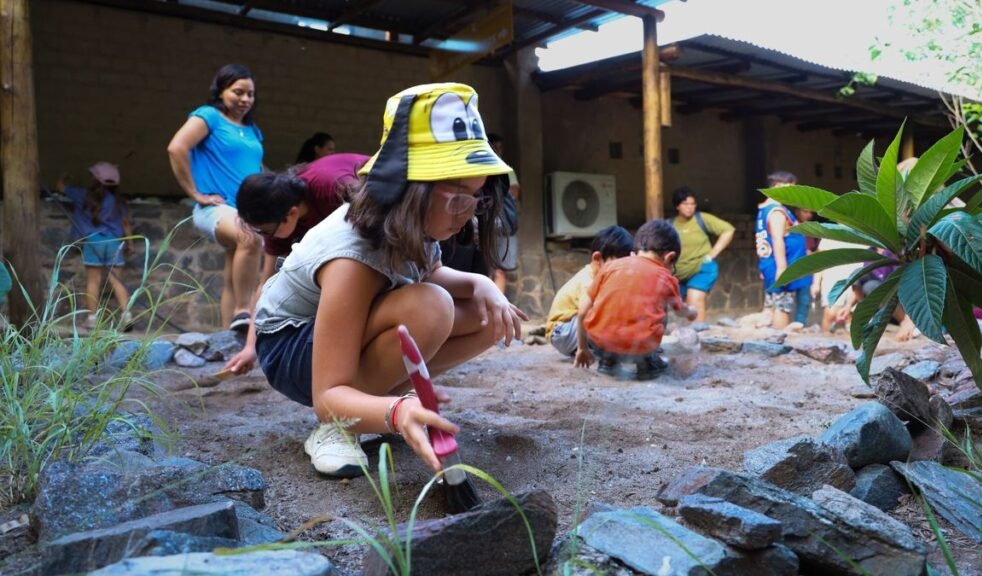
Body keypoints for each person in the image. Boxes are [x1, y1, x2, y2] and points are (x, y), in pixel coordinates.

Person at [253, 83, 526, 478]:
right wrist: (395, 414)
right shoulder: (354, 256)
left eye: (477, 197)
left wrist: (481, 286)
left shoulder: (413, 228)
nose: (469, 212)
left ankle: (374, 399)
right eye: (458, 198)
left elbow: (428, 272)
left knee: (486, 316)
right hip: (291, 346)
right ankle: (340, 427)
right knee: (430, 305)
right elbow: (326, 394)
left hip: (332, 339)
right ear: (409, 190)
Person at [224, 152, 370, 374]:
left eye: (265, 231)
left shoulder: (333, 189)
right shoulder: (279, 212)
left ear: (291, 214)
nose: (265, 237)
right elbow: (266, 284)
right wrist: (250, 347)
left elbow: (378, 223)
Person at [167, 63, 264, 333]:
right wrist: (194, 192)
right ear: (221, 91)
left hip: (246, 210)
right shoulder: (208, 116)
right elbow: (176, 148)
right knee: (250, 238)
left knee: (234, 274)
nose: (245, 99)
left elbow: (255, 167)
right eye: (238, 92)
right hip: (216, 208)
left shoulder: (253, 130)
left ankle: (227, 339)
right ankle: (244, 312)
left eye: (250, 94)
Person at [574, 220, 697, 381]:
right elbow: (680, 310)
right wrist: (691, 312)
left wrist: (582, 348)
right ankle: (647, 363)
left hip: (601, 345)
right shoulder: (665, 277)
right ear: (669, 257)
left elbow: (582, 311)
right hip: (640, 347)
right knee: (662, 304)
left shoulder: (609, 268)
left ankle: (608, 362)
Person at [56, 162, 133, 329]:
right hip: (114, 242)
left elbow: (61, 188)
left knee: (93, 281)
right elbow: (125, 223)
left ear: (95, 179)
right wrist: (130, 243)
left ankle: (92, 320)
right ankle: (126, 316)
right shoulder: (118, 201)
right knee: (117, 282)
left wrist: (64, 177)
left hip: (93, 242)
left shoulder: (82, 195)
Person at [545, 225, 633, 357]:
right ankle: (599, 350)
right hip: (561, 332)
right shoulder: (587, 280)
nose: (621, 271)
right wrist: (582, 349)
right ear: (597, 259)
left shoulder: (601, 277)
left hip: (572, 330)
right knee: (603, 314)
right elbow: (585, 313)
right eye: (617, 266)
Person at [668, 187, 735, 323]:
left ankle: (699, 335)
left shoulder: (701, 219)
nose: (690, 207)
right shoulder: (669, 224)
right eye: (685, 204)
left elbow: (728, 230)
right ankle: (691, 333)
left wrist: (713, 253)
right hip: (678, 274)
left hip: (701, 268)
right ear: (677, 206)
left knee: (695, 301)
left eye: (693, 204)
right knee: (683, 309)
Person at [755, 171, 812, 330]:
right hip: (781, 266)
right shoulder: (777, 211)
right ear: (778, 187)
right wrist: (782, 268)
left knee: (771, 304)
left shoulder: (763, 209)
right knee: (782, 306)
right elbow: (777, 239)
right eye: (790, 189)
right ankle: (777, 342)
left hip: (769, 264)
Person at [487, 133, 519, 294]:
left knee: (497, 270)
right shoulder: (503, 169)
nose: (498, 151)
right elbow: (514, 193)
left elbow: (514, 193)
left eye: (500, 148)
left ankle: (496, 311)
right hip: (489, 225)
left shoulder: (505, 169)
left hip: (498, 224)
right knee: (493, 270)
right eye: (496, 147)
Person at [788, 207, 820, 331]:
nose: (809, 215)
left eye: (810, 212)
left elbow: (814, 249)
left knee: (804, 300)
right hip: (792, 267)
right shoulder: (790, 226)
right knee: (786, 302)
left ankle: (800, 325)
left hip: (806, 270)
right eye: (805, 211)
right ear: (797, 212)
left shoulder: (812, 230)